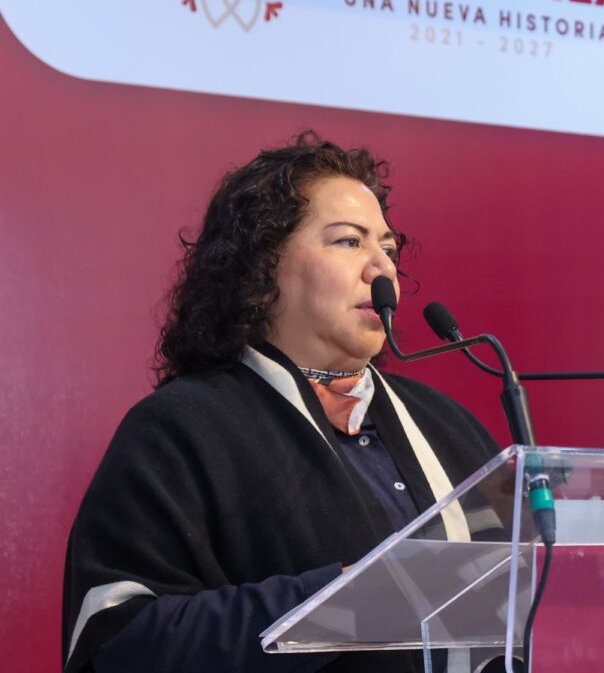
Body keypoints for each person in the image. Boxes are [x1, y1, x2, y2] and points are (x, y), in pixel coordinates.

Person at [62, 132, 502, 673]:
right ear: (263, 264)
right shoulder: (179, 430)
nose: (382, 268)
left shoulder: (448, 425)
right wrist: (337, 601)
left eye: (388, 249)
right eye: (349, 242)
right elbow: (118, 638)